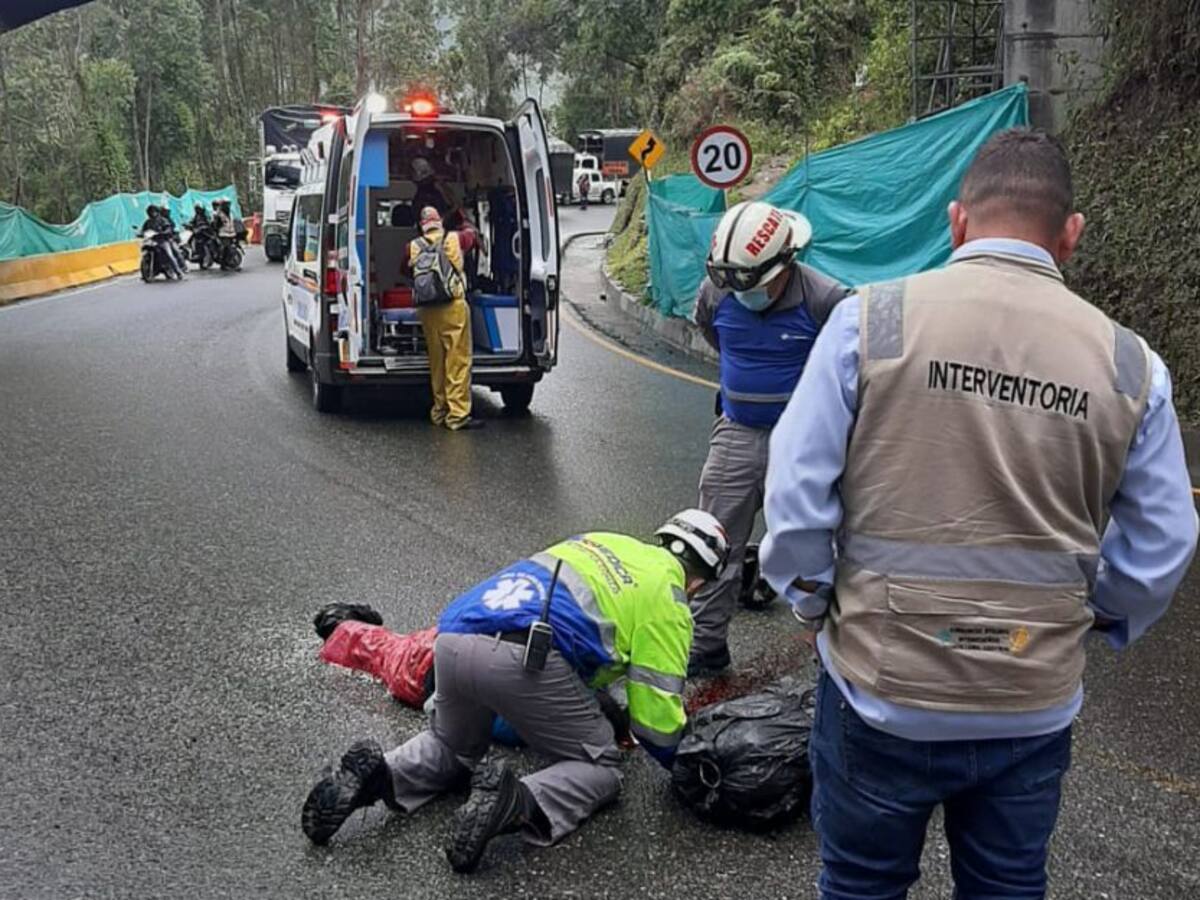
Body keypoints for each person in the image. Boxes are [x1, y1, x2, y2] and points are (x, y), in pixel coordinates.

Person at [760, 129, 1199, 898]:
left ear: (957, 221)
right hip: (1028, 703)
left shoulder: (872, 321)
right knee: (1006, 886)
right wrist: (1099, 613)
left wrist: (813, 598)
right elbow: (1163, 542)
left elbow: (795, 499)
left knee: (861, 883)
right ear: (1071, 234)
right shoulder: (1132, 366)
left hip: (880, 690)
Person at [301, 510, 730, 873]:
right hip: (522, 659)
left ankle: (381, 774)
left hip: (452, 640)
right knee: (600, 767)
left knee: (452, 746)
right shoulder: (669, 601)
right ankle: (515, 800)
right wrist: (688, 766)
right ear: (700, 584)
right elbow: (655, 722)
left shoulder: (603, 541)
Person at [686, 200, 849, 675]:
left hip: (807, 446)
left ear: (787, 263)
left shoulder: (827, 300)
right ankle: (706, 645)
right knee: (714, 542)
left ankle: (835, 650)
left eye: (753, 284)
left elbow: (851, 367)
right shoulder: (716, 294)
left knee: (821, 544)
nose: (743, 294)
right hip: (736, 433)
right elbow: (712, 333)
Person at [409, 206, 481, 430]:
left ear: (422, 225)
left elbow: (405, 269)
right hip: (453, 306)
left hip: (428, 310)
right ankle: (457, 415)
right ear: (438, 221)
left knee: (437, 362)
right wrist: (463, 218)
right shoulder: (454, 238)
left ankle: (439, 411)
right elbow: (472, 235)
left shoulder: (414, 246)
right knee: (457, 361)